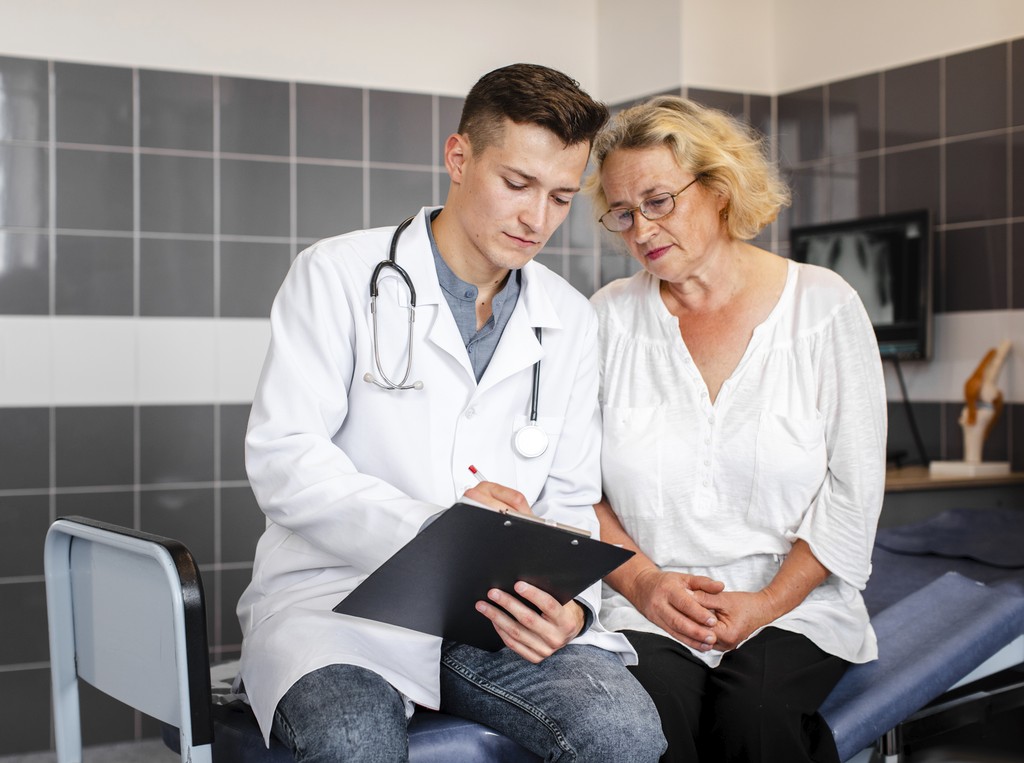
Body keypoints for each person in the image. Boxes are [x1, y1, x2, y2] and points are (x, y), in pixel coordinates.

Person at [236, 63, 667, 763]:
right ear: (459, 157)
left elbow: (572, 501)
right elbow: (285, 460)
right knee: (354, 744)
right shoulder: (337, 275)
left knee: (622, 731)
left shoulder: (566, 317)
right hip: (341, 605)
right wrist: (442, 531)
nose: (537, 219)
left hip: (495, 616)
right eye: (517, 184)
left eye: (561, 196)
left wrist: (570, 607)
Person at [582, 96, 887, 763]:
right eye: (623, 213)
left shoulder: (823, 306)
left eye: (659, 201)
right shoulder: (607, 319)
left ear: (717, 190)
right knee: (643, 721)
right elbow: (579, 487)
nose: (640, 230)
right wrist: (644, 584)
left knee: (755, 713)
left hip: (793, 605)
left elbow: (853, 489)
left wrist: (766, 603)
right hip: (650, 603)